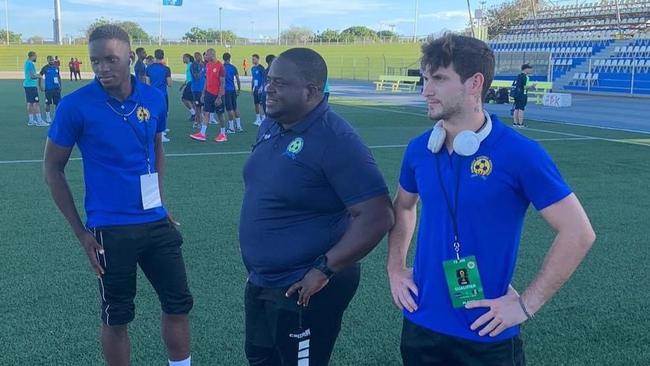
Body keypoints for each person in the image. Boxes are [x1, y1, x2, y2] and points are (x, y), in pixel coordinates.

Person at [387, 34, 596, 366]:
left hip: (486, 334)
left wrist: (526, 304)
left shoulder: (519, 153)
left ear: (475, 83)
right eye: (425, 79)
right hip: (420, 325)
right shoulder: (419, 149)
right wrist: (395, 268)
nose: (426, 90)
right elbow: (403, 206)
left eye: (438, 79)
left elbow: (579, 233)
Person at [43, 24, 193, 366]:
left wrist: (158, 200)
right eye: (95, 61)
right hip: (109, 229)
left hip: (156, 223)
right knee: (117, 317)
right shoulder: (75, 106)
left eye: (111, 59)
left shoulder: (154, 97)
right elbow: (52, 169)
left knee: (178, 305)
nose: (102, 68)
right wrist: (81, 232)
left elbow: (155, 146)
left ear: (130, 56)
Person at [240, 47, 394, 366]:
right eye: (269, 80)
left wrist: (324, 269)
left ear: (310, 91)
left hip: (304, 286)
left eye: (280, 83)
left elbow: (378, 215)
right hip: (263, 281)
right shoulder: (271, 125)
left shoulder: (335, 139)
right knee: (260, 359)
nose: (268, 88)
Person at [189, 48, 227, 142]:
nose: (205, 56)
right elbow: (207, 80)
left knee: (220, 115)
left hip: (218, 94)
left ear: (212, 54)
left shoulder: (220, 66)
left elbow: (222, 83)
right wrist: (203, 93)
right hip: (208, 93)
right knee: (206, 112)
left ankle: (223, 134)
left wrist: (219, 97)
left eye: (207, 55)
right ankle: (202, 133)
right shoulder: (208, 65)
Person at [146, 49, 172, 143]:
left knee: (153, 113)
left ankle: (155, 132)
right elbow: (169, 83)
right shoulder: (166, 69)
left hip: (152, 94)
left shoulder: (148, 68)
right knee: (163, 113)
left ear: (155, 56)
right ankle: (161, 134)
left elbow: (147, 83)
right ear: (163, 56)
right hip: (162, 94)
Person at [23, 51, 46, 126]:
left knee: (30, 103)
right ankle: (39, 121)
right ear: (32, 56)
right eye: (35, 56)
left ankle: (31, 120)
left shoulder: (26, 63)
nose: (36, 58)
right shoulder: (30, 64)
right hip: (31, 86)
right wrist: (39, 76)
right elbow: (32, 76)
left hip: (27, 85)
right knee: (36, 103)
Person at [223, 52, 242, 133]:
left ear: (223, 59)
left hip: (226, 90)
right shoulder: (233, 67)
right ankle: (238, 126)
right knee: (235, 108)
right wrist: (239, 89)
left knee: (229, 109)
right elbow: (237, 79)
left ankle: (231, 127)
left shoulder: (222, 67)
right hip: (233, 90)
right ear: (229, 58)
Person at [39, 55, 62, 123]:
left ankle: (57, 116)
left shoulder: (56, 67)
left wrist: (60, 85)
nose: (51, 61)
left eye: (52, 60)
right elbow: (40, 76)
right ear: (47, 60)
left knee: (58, 103)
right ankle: (48, 117)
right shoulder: (45, 68)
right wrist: (40, 86)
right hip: (49, 89)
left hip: (56, 88)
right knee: (48, 103)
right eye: (50, 60)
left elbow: (58, 76)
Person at [512, 64, 536, 128]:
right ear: (526, 69)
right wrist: (532, 86)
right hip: (522, 94)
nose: (531, 71)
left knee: (516, 108)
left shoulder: (518, 76)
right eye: (530, 69)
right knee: (521, 109)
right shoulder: (525, 77)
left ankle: (515, 123)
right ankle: (520, 123)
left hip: (516, 94)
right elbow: (524, 87)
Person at [190, 52, 206, 129]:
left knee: (202, 106)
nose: (200, 58)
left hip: (203, 88)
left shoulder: (202, 64)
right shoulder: (194, 65)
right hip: (196, 89)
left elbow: (205, 75)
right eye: (198, 57)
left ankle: (197, 122)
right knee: (198, 106)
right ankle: (199, 122)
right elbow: (196, 77)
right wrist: (202, 68)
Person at [179, 53, 196, 122]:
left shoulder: (191, 65)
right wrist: (183, 85)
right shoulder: (189, 65)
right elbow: (189, 77)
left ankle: (194, 113)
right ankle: (195, 115)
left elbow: (193, 76)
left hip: (191, 84)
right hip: (189, 83)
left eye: (183, 58)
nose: (183, 59)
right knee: (191, 100)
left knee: (184, 99)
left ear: (187, 58)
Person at [250, 54, 265, 126]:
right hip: (255, 89)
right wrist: (252, 88)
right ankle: (258, 119)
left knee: (261, 104)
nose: (253, 60)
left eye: (254, 59)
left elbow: (263, 78)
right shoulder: (252, 68)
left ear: (258, 59)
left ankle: (263, 119)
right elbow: (253, 78)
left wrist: (261, 87)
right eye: (252, 59)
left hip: (260, 89)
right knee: (256, 104)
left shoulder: (261, 68)